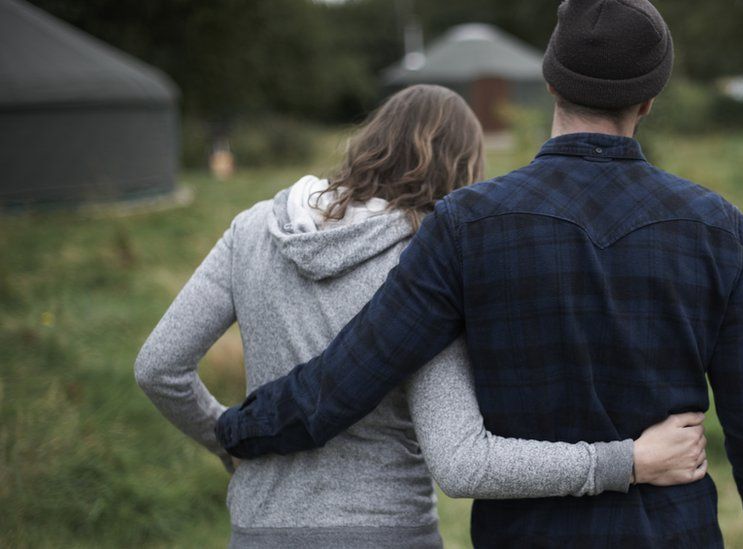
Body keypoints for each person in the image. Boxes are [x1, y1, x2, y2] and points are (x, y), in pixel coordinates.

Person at [217, 0, 743, 545]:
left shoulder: (464, 225)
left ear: (551, 84)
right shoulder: (717, 228)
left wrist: (238, 430)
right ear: (650, 98)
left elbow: (346, 378)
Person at [135, 84, 709, 549]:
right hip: (387, 531)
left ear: (371, 140)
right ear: (463, 169)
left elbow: (158, 367)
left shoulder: (253, 228)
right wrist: (627, 461)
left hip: (258, 531)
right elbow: (462, 464)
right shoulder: (429, 263)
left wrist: (227, 442)